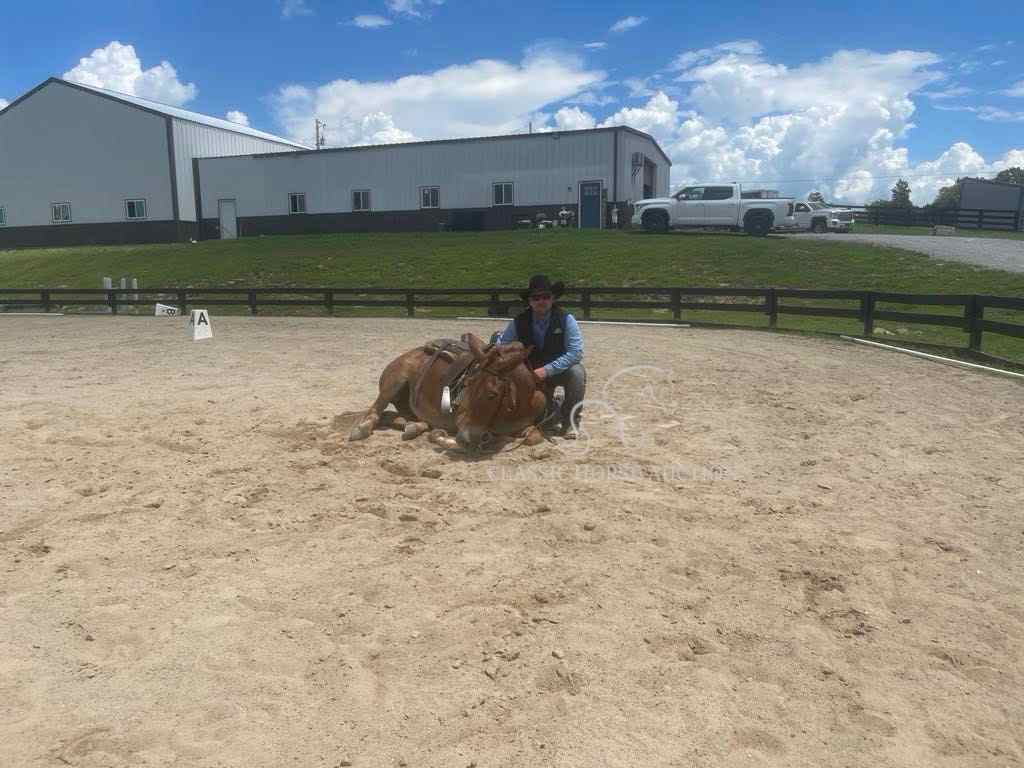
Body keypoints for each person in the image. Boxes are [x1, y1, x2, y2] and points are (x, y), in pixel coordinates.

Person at [492, 274, 586, 439]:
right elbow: (504, 347)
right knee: (543, 420)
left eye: (546, 297)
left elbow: (575, 352)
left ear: (553, 298)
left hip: (557, 371)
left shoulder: (566, 319)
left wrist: (546, 370)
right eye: (536, 298)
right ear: (529, 301)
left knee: (577, 373)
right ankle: (553, 407)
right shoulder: (518, 322)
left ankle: (571, 422)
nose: (541, 301)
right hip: (528, 375)